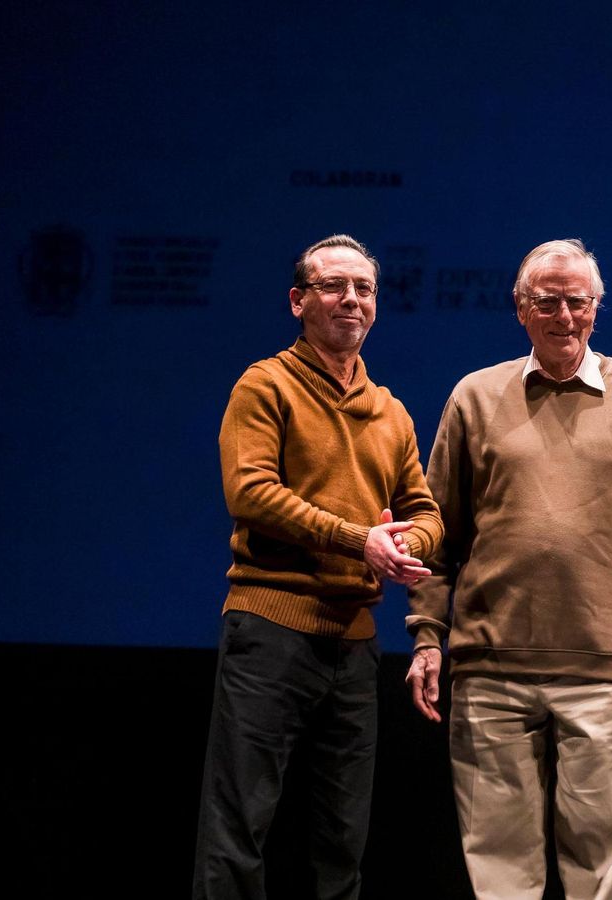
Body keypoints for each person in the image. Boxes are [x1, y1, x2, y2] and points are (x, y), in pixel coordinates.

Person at [405, 238, 612, 900]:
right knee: (500, 878)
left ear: (597, 307)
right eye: (547, 302)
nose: (565, 316)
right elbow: (435, 530)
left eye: (578, 301)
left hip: (606, 670)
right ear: (520, 308)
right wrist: (427, 634)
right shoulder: (474, 397)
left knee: (599, 878)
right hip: (490, 669)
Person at [193, 234, 443, 899]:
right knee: (238, 830)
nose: (351, 299)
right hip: (269, 630)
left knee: (342, 843)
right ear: (298, 301)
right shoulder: (265, 384)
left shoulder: (390, 412)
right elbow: (250, 492)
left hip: (353, 644)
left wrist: (404, 546)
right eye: (334, 286)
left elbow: (426, 513)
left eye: (364, 288)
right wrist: (361, 540)